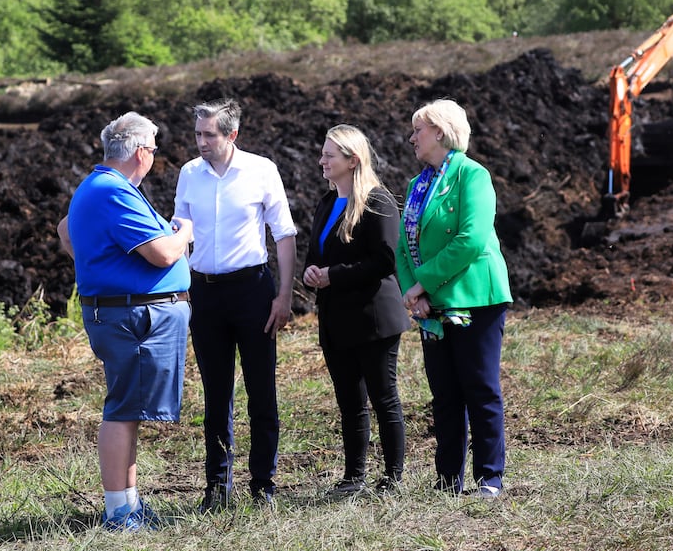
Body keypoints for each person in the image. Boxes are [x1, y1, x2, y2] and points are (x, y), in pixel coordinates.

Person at [56, 111, 193, 531]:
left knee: (128, 408)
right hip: (130, 316)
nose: (154, 156)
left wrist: (98, 267)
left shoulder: (100, 186)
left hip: (123, 311)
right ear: (139, 152)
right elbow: (164, 254)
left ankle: (128, 504)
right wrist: (184, 233)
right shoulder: (112, 191)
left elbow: (65, 230)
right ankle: (118, 512)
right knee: (122, 410)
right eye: (152, 149)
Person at [173, 98, 297, 511]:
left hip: (252, 290)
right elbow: (181, 232)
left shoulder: (262, 170)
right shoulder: (189, 174)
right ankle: (217, 485)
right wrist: (181, 285)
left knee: (261, 390)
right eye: (197, 134)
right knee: (215, 394)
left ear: (232, 135)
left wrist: (284, 294)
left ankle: (263, 484)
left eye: (209, 134)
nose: (201, 142)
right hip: (205, 293)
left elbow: (283, 234)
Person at [396, 99, 512, 499]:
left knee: (479, 389)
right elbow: (402, 248)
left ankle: (489, 478)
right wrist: (416, 293)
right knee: (444, 394)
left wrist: (423, 284)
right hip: (432, 305)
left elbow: (471, 239)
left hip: (476, 298)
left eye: (418, 130)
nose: (412, 137)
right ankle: (447, 480)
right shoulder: (416, 185)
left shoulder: (472, 176)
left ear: (441, 133)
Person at [302, 124, 411, 498]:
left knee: (383, 397)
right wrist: (311, 273)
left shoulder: (378, 201)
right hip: (335, 318)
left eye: (329, 155)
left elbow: (384, 260)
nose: (322, 161)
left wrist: (334, 275)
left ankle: (393, 478)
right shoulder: (326, 202)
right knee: (349, 401)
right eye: (323, 153)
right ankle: (354, 478)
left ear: (353, 160)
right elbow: (317, 254)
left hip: (373, 319)